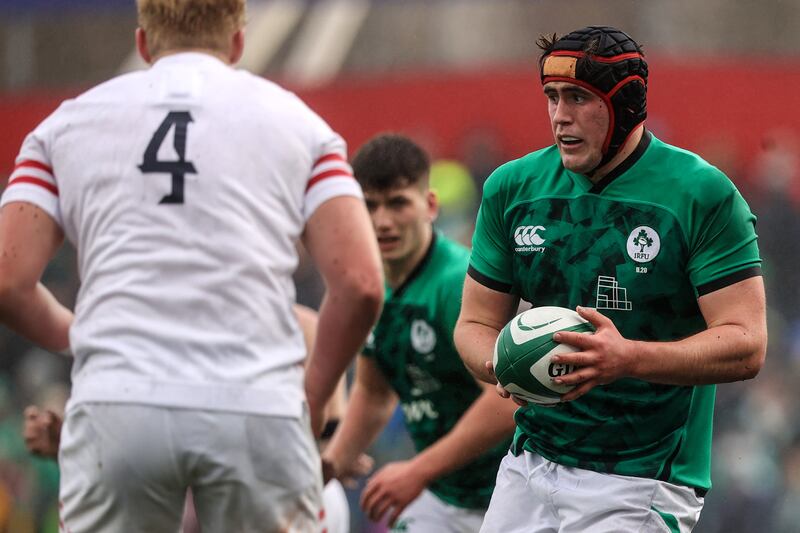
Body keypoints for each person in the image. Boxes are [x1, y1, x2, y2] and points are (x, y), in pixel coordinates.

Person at [0, 0, 384, 531]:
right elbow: (361, 284)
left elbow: (8, 280)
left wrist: (82, 334)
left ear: (142, 43)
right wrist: (314, 399)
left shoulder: (63, 126)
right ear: (238, 42)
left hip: (118, 399)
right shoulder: (299, 124)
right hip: (256, 403)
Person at [454, 25, 767, 533]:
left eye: (578, 98)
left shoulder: (702, 194)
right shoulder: (512, 189)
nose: (560, 115)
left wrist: (627, 358)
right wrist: (504, 363)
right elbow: (474, 324)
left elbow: (747, 344)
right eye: (552, 97)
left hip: (641, 477)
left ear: (625, 106)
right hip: (528, 463)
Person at [22, 304, 365, 533]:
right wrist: (73, 444)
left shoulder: (301, 328)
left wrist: (333, 456)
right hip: (181, 490)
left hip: (280, 490)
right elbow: (139, 441)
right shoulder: (150, 329)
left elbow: (328, 446)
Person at [322, 133, 517, 532]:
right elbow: (374, 393)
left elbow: (507, 401)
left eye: (397, 203)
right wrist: (328, 467)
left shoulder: (454, 283)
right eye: (369, 206)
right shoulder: (370, 289)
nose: (383, 222)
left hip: (510, 494)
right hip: (446, 497)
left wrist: (417, 471)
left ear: (429, 205)